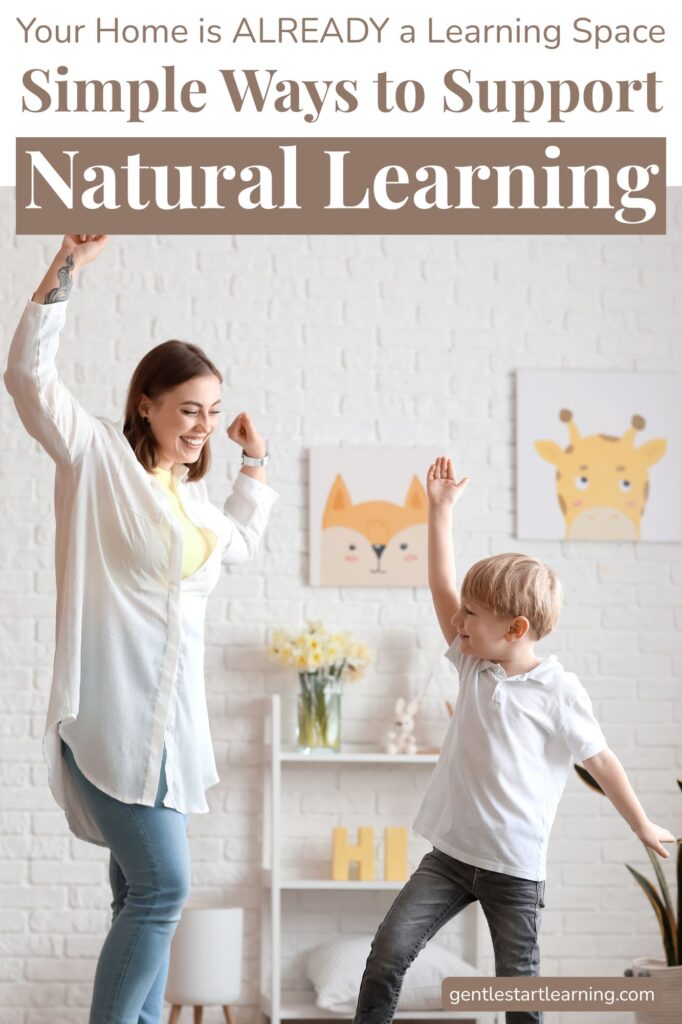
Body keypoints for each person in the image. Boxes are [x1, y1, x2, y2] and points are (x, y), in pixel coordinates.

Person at [4, 234, 278, 1024]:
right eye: (188, 408)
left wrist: (253, 461)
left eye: (213, 412)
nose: (201, 426)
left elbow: (243, 539)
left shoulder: (191, 505)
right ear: (146, 404)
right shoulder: (97, 461)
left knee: (138, 895)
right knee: (164, 891)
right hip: (110, 721)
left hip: (172, 736)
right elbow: (27, 376)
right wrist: (63, 270)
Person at [352, 456, 675, 1024]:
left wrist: (642, 823)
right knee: (386, 958)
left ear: (515, 628)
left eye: (472, 615)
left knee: (519, 998)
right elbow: (440, 584)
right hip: (449, 858)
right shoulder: (473, 664)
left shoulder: (558, 690)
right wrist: (440, 511)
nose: (459, 622)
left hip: (515, 870)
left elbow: (600, 760)